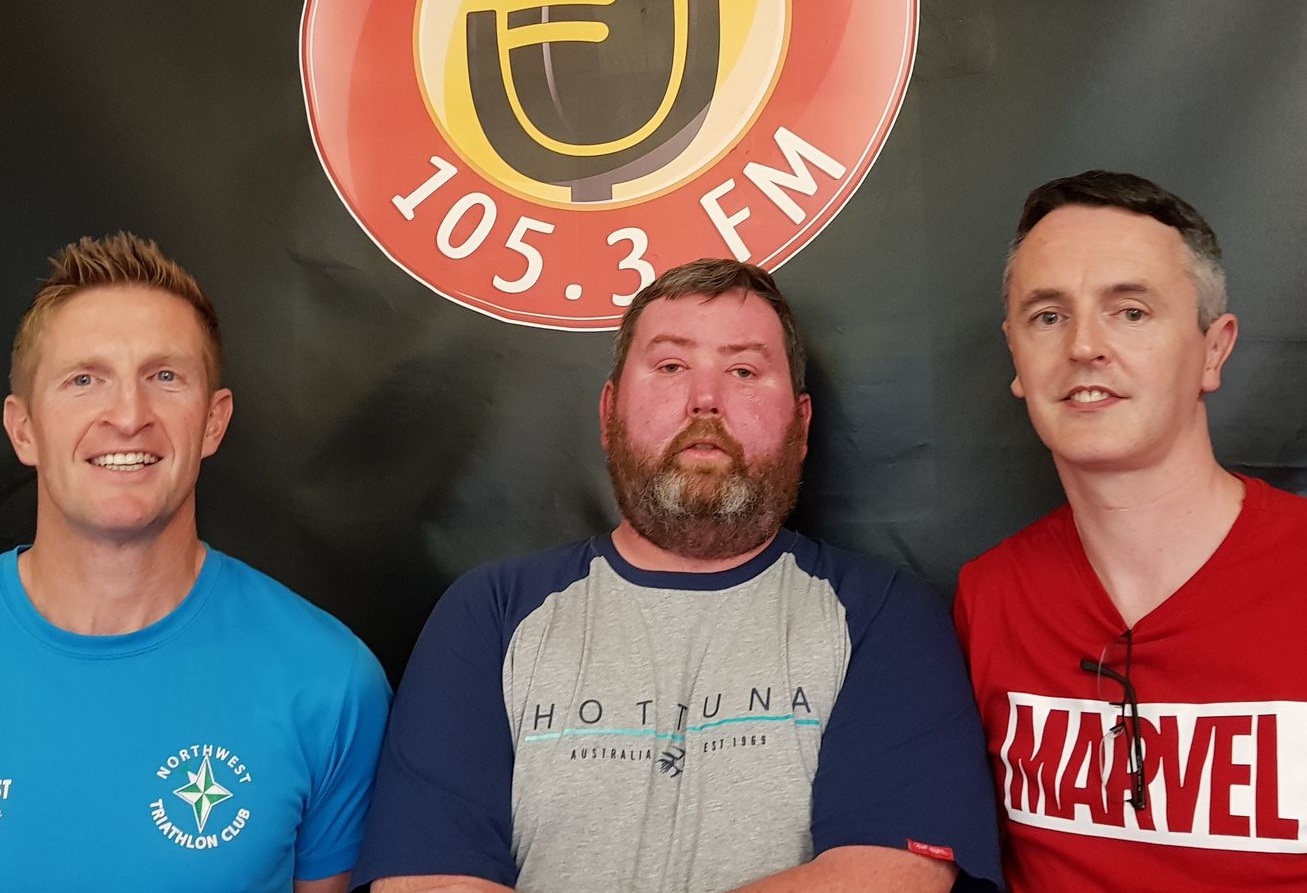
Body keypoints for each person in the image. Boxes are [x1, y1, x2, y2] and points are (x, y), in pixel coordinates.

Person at [354, 258, 1002, 893]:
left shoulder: (882, 615)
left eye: (743, 370)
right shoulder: (490, 613)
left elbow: (890, 875)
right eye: (670, 366)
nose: (705, 399)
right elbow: (425, 881)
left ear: (801, 424)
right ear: (609, 412)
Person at [0, 233, 390, 892]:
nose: (128, 415)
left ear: (213, 421)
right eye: (84, 379)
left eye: (165, 377)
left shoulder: (330, 681)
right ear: (24, 429)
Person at [954, 170, 1307, 891]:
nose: (1084, 346)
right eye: (1047, 316)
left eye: (1131, 312)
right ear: (1016, 356)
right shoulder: (988, 596)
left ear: (1213, 350)